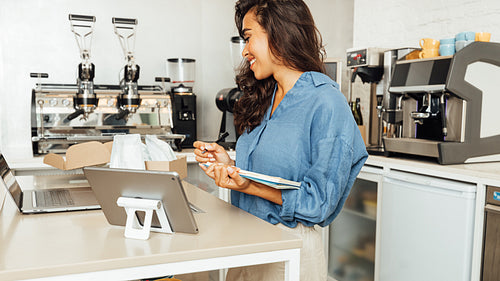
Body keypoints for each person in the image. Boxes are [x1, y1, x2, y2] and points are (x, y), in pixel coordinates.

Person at [193, 0, 368, 280]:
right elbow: (276, 167)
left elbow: (319, 203)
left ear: (277, 33)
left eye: (249, 37)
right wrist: (230, 164)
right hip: (245, 245)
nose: (245, 50)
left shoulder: (326, 102)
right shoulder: (265, 97)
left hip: (288, 252)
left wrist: (249, 185)